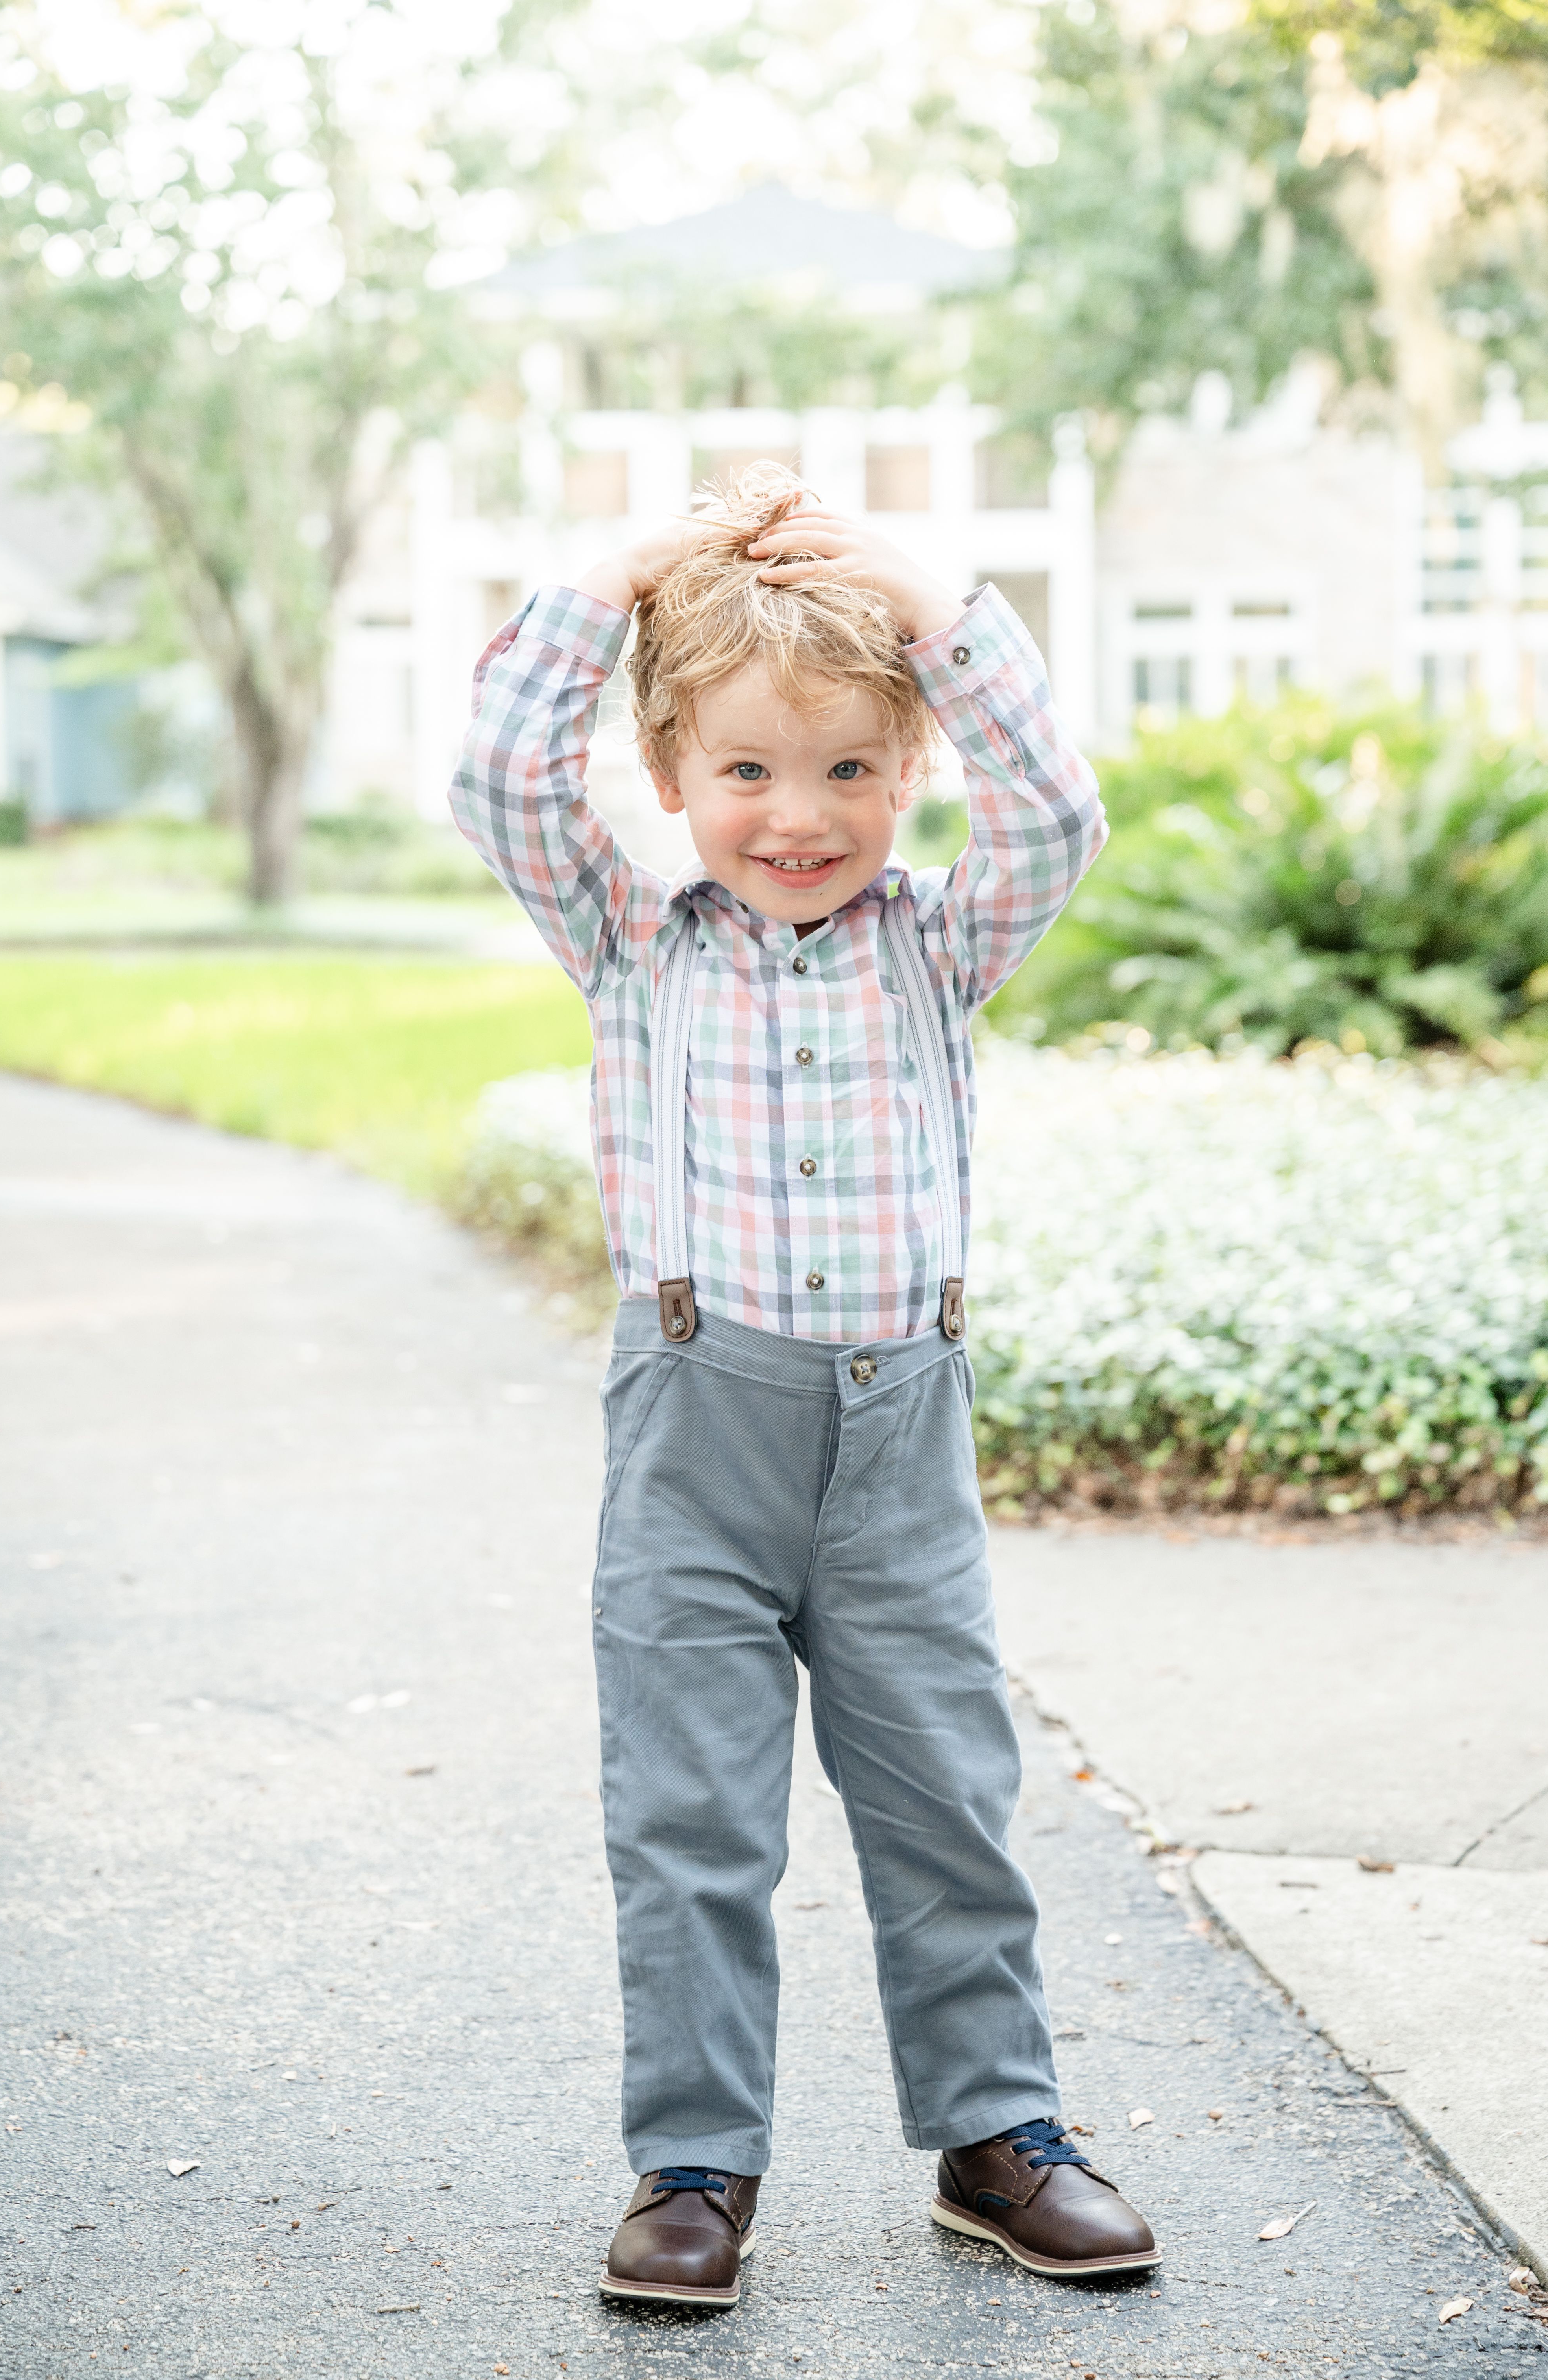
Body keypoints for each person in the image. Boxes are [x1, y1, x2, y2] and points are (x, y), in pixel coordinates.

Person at [449, 465, 1159, 2307]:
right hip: (698, 1426)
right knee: (689, 1814)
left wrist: (933, 605)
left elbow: (1060, 809)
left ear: (904, 773)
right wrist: (616, 578)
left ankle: (997, 2135)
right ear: (672, 774)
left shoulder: (942, 942)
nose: (797, 815)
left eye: (848, 768)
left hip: (898, 1431)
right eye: (748, 771)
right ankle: (692, 2166)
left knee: (941, 1796)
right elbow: (502, 775)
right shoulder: (627, 937)